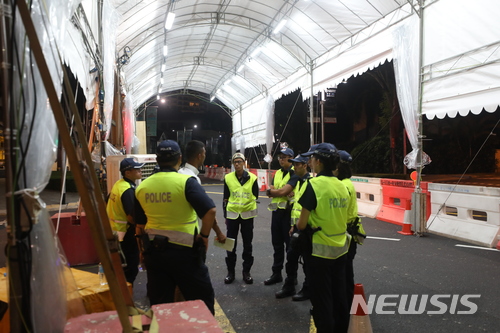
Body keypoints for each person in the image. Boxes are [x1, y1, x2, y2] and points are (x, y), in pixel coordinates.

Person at [134, 140, 216, 314]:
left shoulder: (142, 187)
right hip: (185, 253)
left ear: (157, 160)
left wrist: (141, 251)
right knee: (201, 301)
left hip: (154, 253)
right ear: (179, 158)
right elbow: (210, 211)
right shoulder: (186, 182)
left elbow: (140, 226)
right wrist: (204, 236)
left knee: (161, 303)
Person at [297, 143, 351, 333]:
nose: (309, 162)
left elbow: (301, 224)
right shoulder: (342, 186)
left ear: (318, 161)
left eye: (311, 158)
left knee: (322, 299)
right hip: (341, 249)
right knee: (339, 296)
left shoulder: (313, 185)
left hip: (319, 251)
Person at [275, 154, 312, 300]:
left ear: (305, 165)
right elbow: (296, 205)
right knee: (291, 257)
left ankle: (307, 288)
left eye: (297, 164)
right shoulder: (298, 182)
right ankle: (290, 285)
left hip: (307, 228)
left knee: (306, 261)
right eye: (294, 164)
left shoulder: (311, 183)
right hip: (296, 226)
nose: (294, 167)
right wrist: (292, 225)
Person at [179, 140, 226, 243]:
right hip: (188, 234)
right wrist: (216, 233)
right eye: (204, 154)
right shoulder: (192, 179)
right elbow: (207, 210)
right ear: (199, 156)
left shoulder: (180, 173)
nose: (205, 156)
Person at [264, 147, 299, 286]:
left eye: (284, 157)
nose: (281, 159)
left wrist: (276, 192)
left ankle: (292, 277)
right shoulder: (277, 173)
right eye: (280, 157)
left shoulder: (295, 173)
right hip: (276, 213)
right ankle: (276, 273)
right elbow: (271, 189)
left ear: (291, 158)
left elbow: (276, 191)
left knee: (290, 248)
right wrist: (279, 192)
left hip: (289, 214)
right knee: (277, 245)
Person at [223, 152, 259, 284]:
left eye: (239, 161)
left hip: (247, 216)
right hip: (232, 215)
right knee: (230, 245)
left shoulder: (253, 178)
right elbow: (225, 198)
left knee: (247, 244)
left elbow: (256, 195)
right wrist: (225, 216)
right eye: (235, 162)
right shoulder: (228, 178)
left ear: (244, 163)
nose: (237, 164)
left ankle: (246, 272)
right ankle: (230, 272)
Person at [106, 157, 143, 284]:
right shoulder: (128, 191)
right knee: (130, 267)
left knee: (121, 265)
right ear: (127, 173)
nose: (141, 170)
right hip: (125, 234)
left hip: (115, 231)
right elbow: (131, 217)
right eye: (137, 169)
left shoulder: (119, 184)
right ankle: (126, 295)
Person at [337, 150, 366, 306]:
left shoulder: (342, 186)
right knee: (346, 270)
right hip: (351, 232)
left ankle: (346, 304)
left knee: (343, 272)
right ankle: (347, 302)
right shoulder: (347, 183)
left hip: (345, 233)